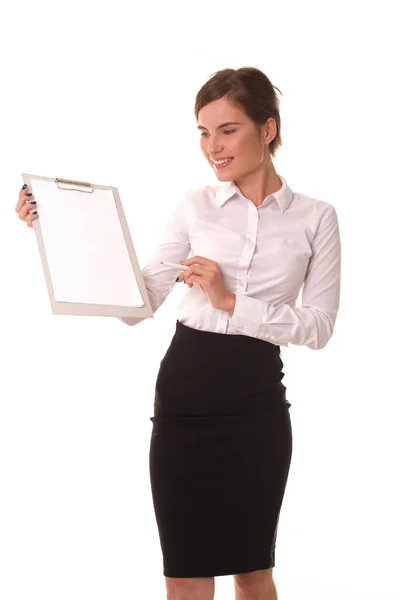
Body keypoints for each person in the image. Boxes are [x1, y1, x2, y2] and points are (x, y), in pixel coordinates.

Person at [15, 67, 341, 600]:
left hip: (258, 407)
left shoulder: (316, 218)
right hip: (186, 398)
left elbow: (321, 327)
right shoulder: (195, 206)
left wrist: (231, 300)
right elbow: (137, 303)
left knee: (254, 572)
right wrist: (56, 227)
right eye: (203, 132)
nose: (213, 146)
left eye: (228, 129)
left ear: (268, 129)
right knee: (185, 576)